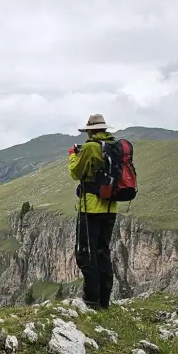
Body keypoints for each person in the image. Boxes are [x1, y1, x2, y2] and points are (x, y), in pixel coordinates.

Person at [68, 114, 118, 310]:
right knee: (102, 252)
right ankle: (104, 301)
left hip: (91, 208)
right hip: (111, 207)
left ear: (90, 130)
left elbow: (76, 172)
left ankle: (91, 300)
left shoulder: (90, 147)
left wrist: (73, 154)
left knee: (85, 253)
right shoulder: (113, 147)